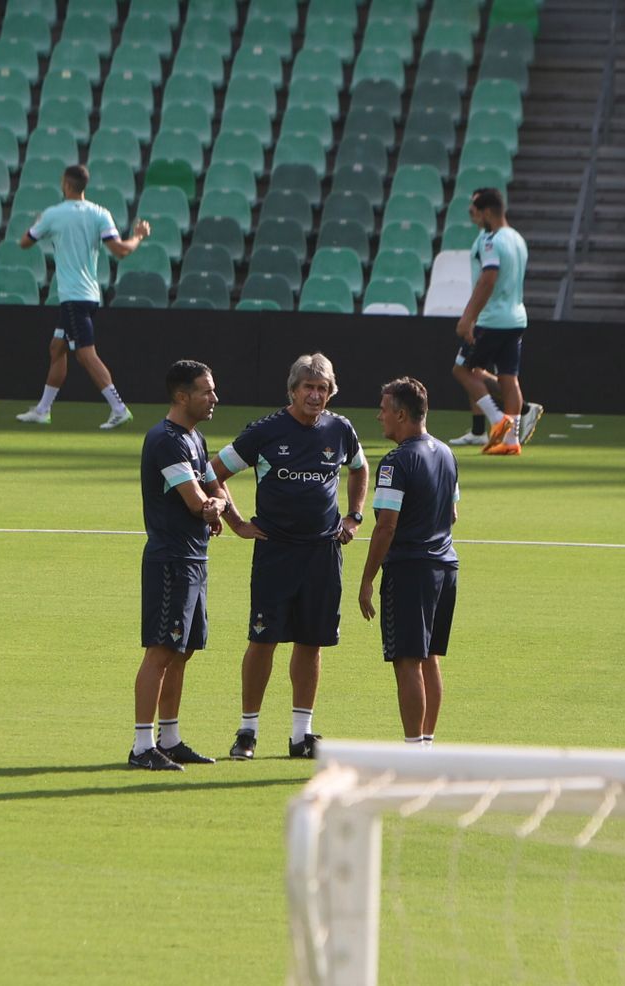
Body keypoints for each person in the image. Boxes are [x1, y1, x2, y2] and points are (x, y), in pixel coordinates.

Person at [208, 353, 368, 761]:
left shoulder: (341, 429)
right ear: (293, 391)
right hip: (275, 552)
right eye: (308, 388)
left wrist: (353, 517)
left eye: (322, 389)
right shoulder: (264, 431)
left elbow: (360, 469)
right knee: (262, 641)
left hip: (322, 552)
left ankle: (302, 734)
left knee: (311, 642)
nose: (315, 396)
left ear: (331, 392)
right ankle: (247, 732)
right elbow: (213, 472)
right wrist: (237, 522)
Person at [130, 360, 260, 770]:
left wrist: (235, 520)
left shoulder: (194, 438)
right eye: (207, 391)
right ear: (182, 396)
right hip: (171, 559)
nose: (215, 398)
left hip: (193, 558)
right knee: (161, 651)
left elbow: (213, 483)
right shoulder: (165, 440)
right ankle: (140, 746)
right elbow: (199, 501)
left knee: (182, 651)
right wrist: (216, 507)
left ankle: (169, 738)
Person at [358, 377, 460, 746]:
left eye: (384, 410)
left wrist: (367, 579)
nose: (379, 417)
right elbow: (452, 514)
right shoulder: (447, 453)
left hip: (411, 569)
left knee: (407, 661)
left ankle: (413, 750)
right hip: (445, 567)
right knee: (430, 657)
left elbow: (386, 527)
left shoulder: (396, 462)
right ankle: (427, 744)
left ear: (401, 414)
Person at [16, 165, 149, 430]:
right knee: (57, 348)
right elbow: (121, 251)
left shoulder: (53, 214)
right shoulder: (100, 213)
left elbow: (25, 242)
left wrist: (39, 222)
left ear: (66, 184)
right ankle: (43, 409)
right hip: (88, 295)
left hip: (73, 297)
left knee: (86, 355)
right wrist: (138, 236)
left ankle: (119, 408)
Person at [452, 187, 533, 455]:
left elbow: (488, 279)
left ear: (487, 212)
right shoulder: (517, 239)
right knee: (509, 379)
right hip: (516, 317)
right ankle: (512, 442)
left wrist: (468, 317)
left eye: (474, 211)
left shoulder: (491, 240)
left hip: (493, 319)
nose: (472, 217)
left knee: (463, 370)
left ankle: (499, 423)